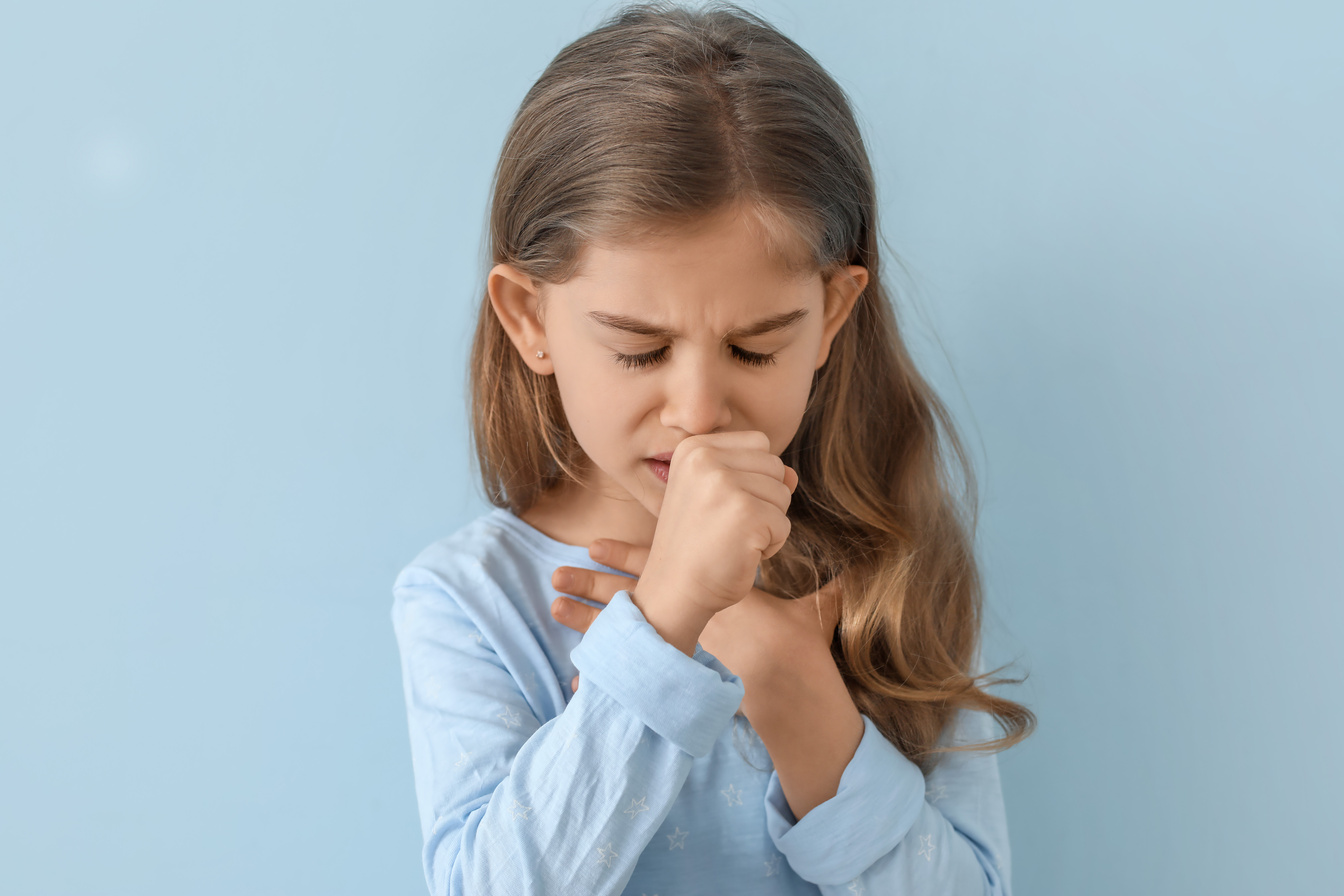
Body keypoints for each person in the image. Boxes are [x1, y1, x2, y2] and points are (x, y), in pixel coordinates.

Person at [390, 2, 1037, 893]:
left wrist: (787, 680)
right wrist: (661, 626)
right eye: (640, 349)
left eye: (754, 348)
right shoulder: (470, 601)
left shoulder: (890, 567)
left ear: (831, 317)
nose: (697, 410)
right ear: (530, 319)